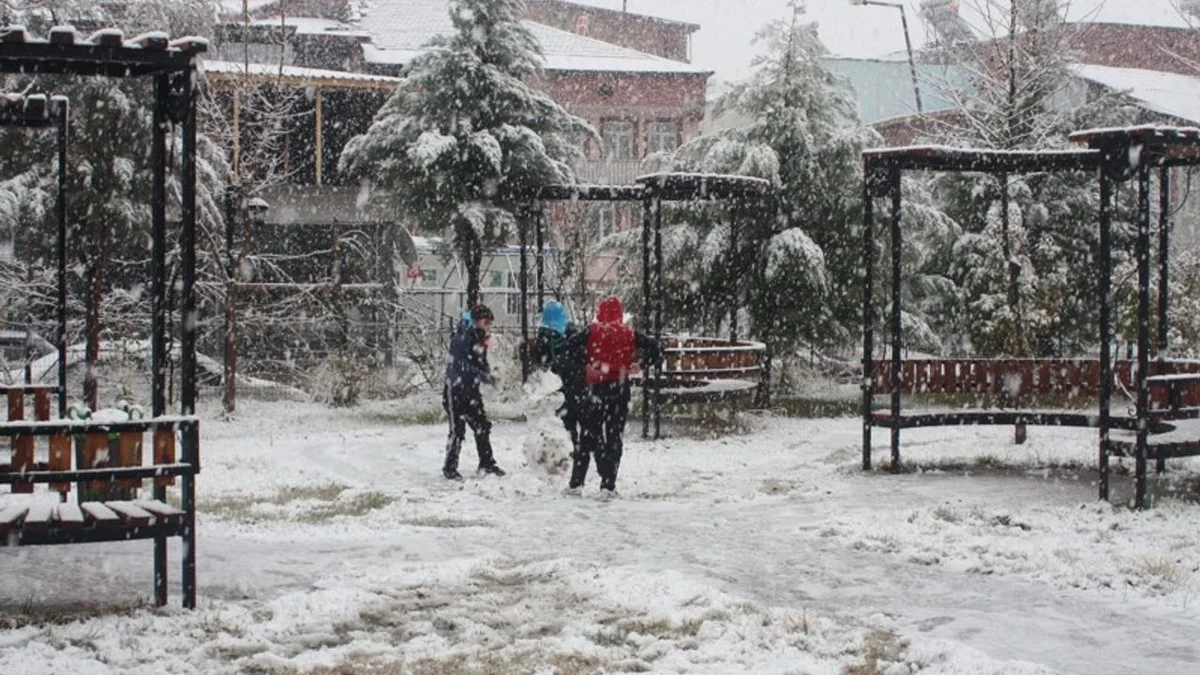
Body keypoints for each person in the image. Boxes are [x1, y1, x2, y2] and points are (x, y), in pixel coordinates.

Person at [565, 296, 662, 497]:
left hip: (596, 389)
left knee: (588, 435)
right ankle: (608, 485)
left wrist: (586, 364)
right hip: (620, 387)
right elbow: (657, 348)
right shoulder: (630, 333)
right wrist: (642, 364)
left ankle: (577, 483)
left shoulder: (592, 331)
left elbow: (568, 347)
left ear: (600, 312)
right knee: (614, 436)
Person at [442, 305, 506, 480]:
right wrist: (483, 375)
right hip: (455, 389)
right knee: (457, 430)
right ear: (476, 321)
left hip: (471, 390)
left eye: (489, 324)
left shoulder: (478, 338)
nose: (488, 327)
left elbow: (480, 362)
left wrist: (488, 374)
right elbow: (460, 364)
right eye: (485, 323)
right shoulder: (461, 338)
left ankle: (487, 463)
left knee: (482, 426)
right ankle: (450, 467)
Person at [531, 300, 585, 454]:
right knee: (569, 418)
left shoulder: (545, 336)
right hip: (569, 382)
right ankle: (573, 447)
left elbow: (540, 360)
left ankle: (562, 449)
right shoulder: (571, 334)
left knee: (558, 418)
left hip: (556, 383)